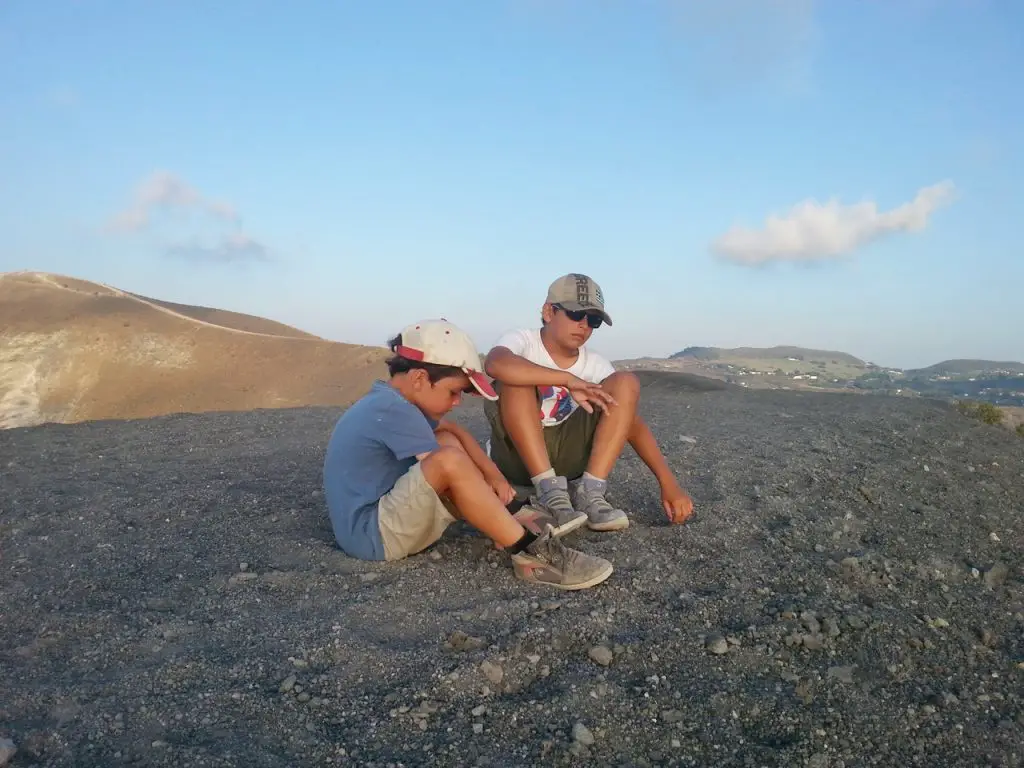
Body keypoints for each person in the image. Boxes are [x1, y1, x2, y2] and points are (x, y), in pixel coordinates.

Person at [322, 318, 614, 591]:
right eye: (453, 392)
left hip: (374, 526)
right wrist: (494, 506)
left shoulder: (392, 402)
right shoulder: (393, 410)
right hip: (373, 537)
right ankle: (530, 552)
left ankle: (511, 513)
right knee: (448, 461)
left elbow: (454, 432)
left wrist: (496, 480)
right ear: (420, 378)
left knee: (446, 441)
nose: (457, 402)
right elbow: (452, 473)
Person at [483, 273, 694, 533]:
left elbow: (629, 424)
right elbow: (495, 364)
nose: (584, 325)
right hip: (515, 461)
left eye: (593, 319)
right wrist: (568, 380)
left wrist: (668, 482)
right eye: (575, 314)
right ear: (549, 311)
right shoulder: (522, 341)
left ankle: (590, 494)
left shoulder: (596, 365)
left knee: (625, 382)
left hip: (569, 464)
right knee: (514, 378)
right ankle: (549, 492)